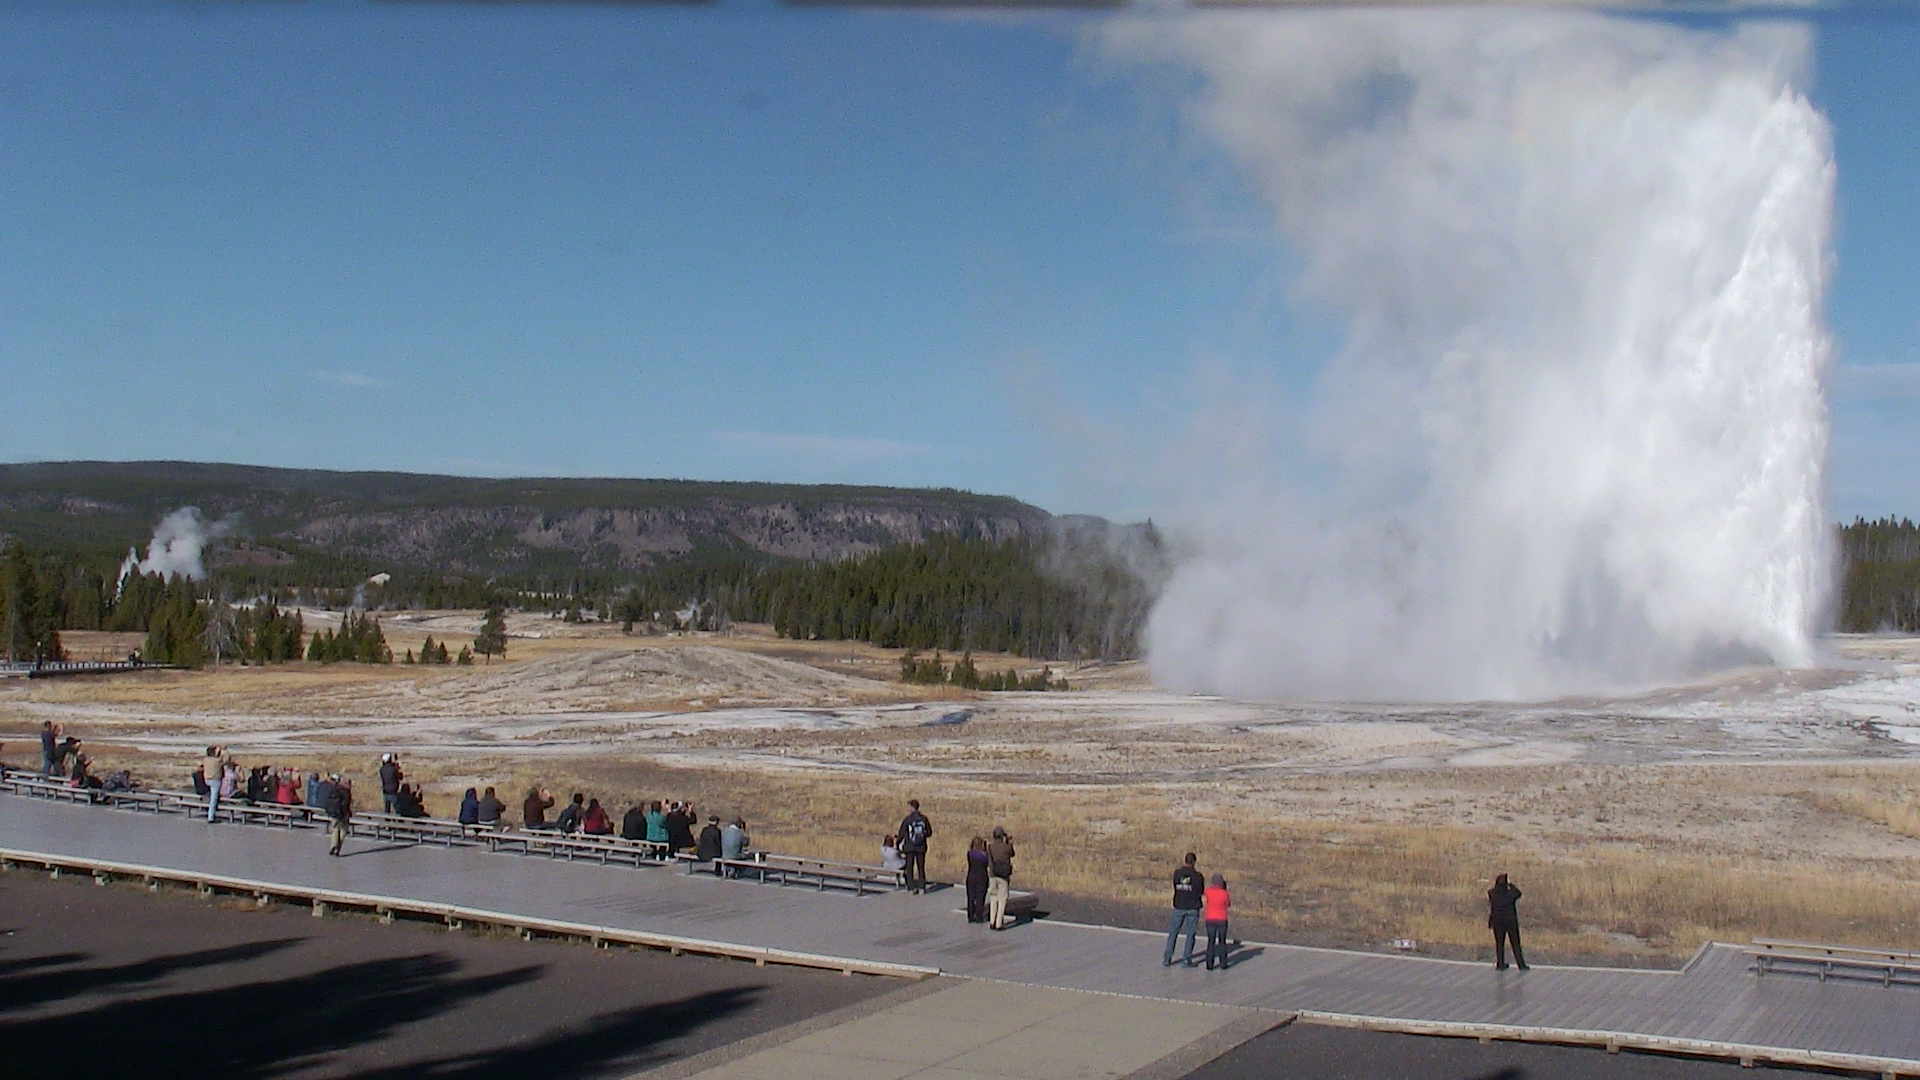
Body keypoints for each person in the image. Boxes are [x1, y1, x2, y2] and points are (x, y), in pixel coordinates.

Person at [1164, 852, 1205, 967]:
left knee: (1173, 932)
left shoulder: (1177, 873)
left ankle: (1167, 958)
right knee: (1190, 934)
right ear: (1194, 862)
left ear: (1185, 861)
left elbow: (1175, 885)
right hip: (1193, 907)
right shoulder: (1198, 876)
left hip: (1179, 905)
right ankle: (1186, 959)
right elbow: (1200, 891)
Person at [1488, 873, 1529, 970]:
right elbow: (1519, 893)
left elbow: (1492, 908)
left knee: (1499, 944)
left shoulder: (1492, 893)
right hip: (1511, 922)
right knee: (1515, 944)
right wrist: (1511, 885)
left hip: (1497, 922)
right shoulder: (1510, 894)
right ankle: (1521, 964)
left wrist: (1490, 921)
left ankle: (1500, 964)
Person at [898, 798, 933, 894]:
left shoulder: (907, 819)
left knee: (910, 867)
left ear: (912, 807)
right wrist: (922, 835)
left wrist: (898, 843)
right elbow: (929, 833)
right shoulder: (924, 819)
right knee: (921, 867)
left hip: (910, 846)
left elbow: (901, 833)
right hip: (921, 847)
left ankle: (911, 887)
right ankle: (922, 887)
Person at [986, 826, 1015, 930]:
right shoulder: (1006, 847)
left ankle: (992, 921)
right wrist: (1008, 842)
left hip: (993, 875)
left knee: (993, 898)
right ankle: (999, 923)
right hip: (1003, 876)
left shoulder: (990, 847)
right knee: (1002, 899)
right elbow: (1012, 854)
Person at [1203, 873, 1232, 971]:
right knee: (1222, 942)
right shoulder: (1224, 893)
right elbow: (1228, 904)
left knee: (1211, 941)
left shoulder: (1208, 891)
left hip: (1210, 918)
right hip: (1222, 919)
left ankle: (1209, 964)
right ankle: (1223, 963)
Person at [325, 774, 353, 857]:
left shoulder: (334, 789)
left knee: (335, 829)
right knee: (343, 830)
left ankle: (333, 845)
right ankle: (338, 847)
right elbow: (346, 804)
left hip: (333, 813)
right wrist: (347, 813)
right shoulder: (346, 791)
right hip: (343, 813)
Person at [965, 836, 990, 923]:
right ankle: (979, 916)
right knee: (980, 897)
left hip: (971, 877)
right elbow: (987, 863)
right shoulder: (983, 856)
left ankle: (970, 915)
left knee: (970, 897)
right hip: (982, 877)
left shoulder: (970, 854)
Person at [202, 745, 226, 822]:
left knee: (212, 797)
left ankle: (210, 812)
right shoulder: (217, 761)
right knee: (213, 799)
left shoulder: (205, 759)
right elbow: (226, 759)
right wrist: (223, 751)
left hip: (207, 779)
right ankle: (211, 817)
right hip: (215, 780)